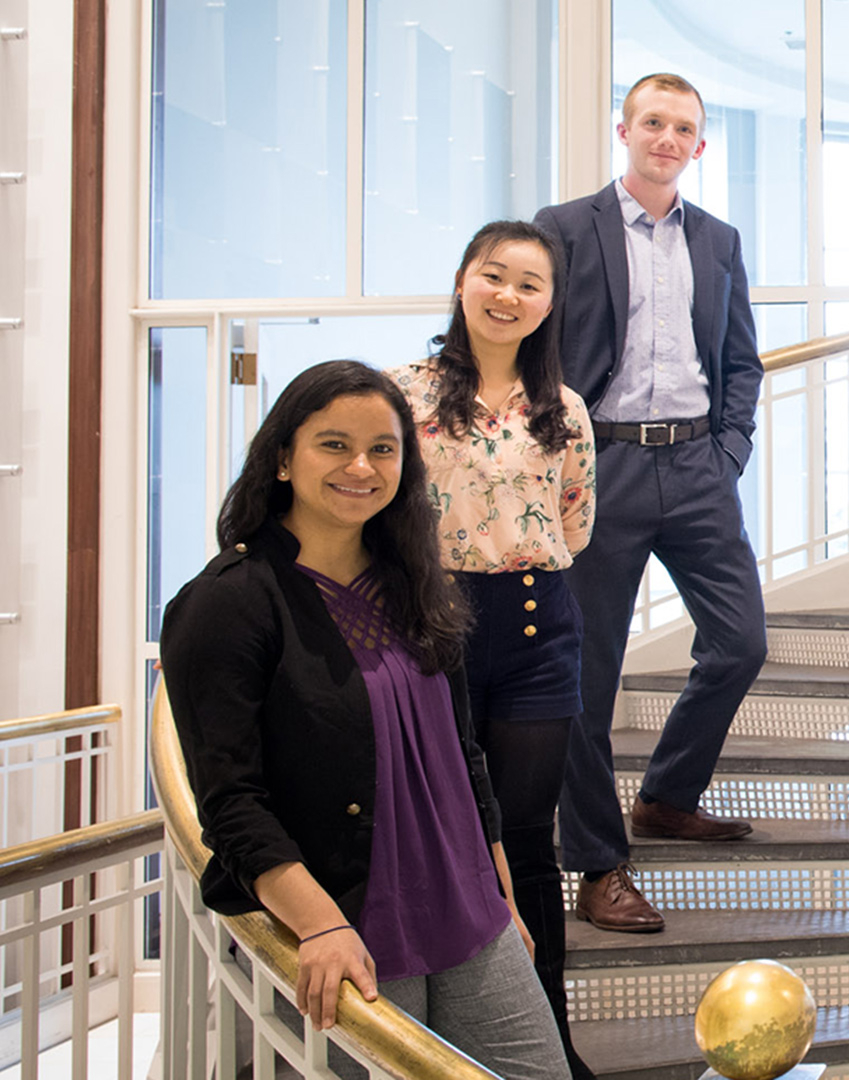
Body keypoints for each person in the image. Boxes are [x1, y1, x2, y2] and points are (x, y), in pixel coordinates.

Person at [160, 361, 570, 1080]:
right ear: (282, 457)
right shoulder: (227, 603)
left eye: (383, 448)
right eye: (333, 445)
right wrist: (318, 923)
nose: (361, 466)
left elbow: (463, 753)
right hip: (352, 921)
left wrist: (502, 891)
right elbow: (230, 803)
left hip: (471, 914)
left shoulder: (417, 584)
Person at [535, 72, 767, 935]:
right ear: (624, 130)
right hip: (601, 466)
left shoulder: (719, 239)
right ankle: (598, 865)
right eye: (654, 122)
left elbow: (741, 359)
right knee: (587, 678)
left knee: (741, 642)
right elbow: (540, 349)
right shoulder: (564, 229)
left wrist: (729, 450)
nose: (668, 138)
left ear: (699, 146)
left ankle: (668, 795)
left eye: (684, 128)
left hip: (698, 465)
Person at [387, 220, 596, 1079]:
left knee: (526, 836)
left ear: (550, 303)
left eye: (529, 284)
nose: (508, 296)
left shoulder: (565, 408)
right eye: (494, 276)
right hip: (439, 618)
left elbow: (575, 525)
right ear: (465, 281)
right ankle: (449, 1040)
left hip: (540, 623)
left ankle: (550, 1040)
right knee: (451, 834)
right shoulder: (405, 391)